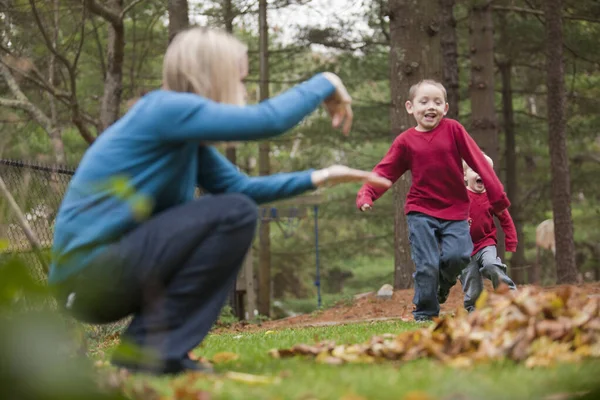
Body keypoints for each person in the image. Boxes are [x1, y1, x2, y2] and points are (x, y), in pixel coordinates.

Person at [48, 26, 391, 375]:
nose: (241, 89)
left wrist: (322, 175)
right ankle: (153, 353)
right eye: (239, 79)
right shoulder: (165, 109)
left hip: (107, 275)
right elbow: (268, 121)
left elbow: (241, 189)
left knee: (235, 209)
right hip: (88, 276)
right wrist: (326, 80)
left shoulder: (183, 136)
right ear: (213, 74)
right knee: (233, 215)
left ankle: (150, 353)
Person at [355, 79, 509, 321]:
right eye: (424, 101)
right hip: (421, 211)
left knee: (458, 256)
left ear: (445, 108)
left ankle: (441, 286)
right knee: (426, 264)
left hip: (456, 210)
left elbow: (478, 161)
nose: (431, 107)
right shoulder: (406, 141)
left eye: (437, 102)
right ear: (410, 107)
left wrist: (497, 196)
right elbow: (385, 171)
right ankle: (426, 313)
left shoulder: (454, 130)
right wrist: (367, 193)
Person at [459, 155, 517, 312]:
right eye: (474, 169)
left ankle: (510, 297)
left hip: (486, 243)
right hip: (464, 248)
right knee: (472, 286)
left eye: (485, 169)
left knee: (491, 265)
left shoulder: (493, 197)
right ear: (464, 175)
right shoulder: (459, 196)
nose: (480, 172)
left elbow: (506, 219)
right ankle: (474, 311)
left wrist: (511, 241)